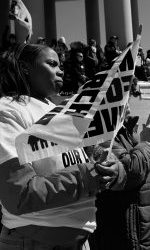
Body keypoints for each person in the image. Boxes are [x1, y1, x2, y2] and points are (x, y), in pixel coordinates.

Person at [0, 44, 125, 249]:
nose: (61, 70)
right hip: (34, 240)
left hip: (79, 240)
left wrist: (105, 166)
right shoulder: (8, 110)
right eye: (51, 64)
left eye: (60, 64)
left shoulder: (58, 109)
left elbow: (79, 160)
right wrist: (88, 176)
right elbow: (19, 194)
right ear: (24, 68)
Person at [89, 109, 150, 250]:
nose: (128, 107)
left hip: (148, 222)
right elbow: (131, 173)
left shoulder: (125, 130)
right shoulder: (97, 132)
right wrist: (147, 143)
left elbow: (147, 171)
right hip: (126, 233)